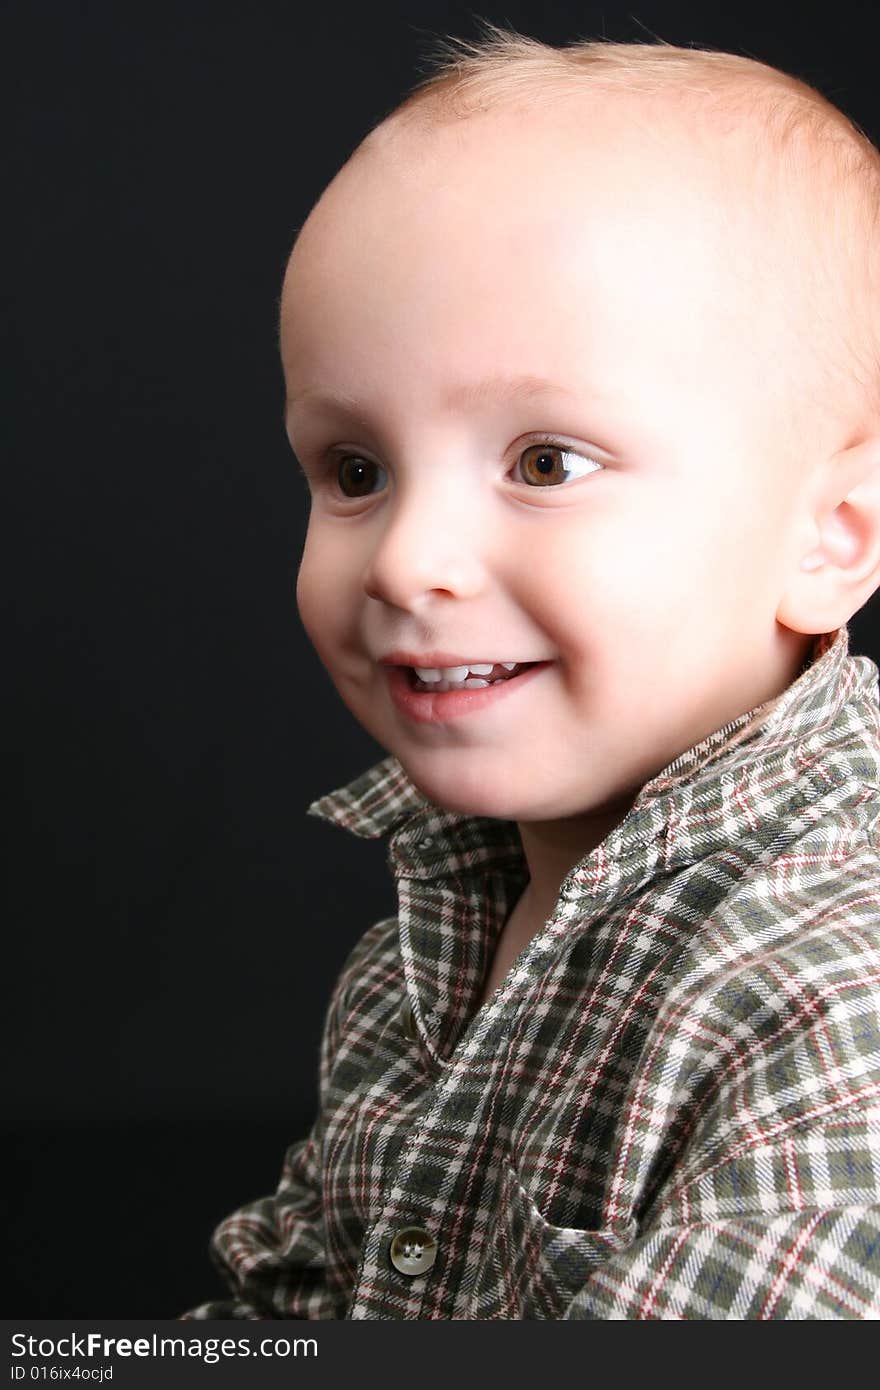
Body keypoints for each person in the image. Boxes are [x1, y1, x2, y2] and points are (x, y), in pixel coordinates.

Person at [183, 23, 880, 1318]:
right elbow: (293, 1294)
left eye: (545, 462)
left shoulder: (828, 996)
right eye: (354, 471)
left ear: (832, 538)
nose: (407, 560)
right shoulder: (434, 934)